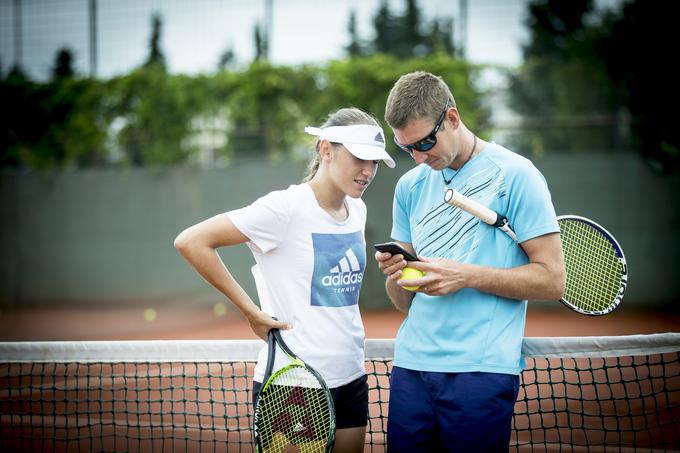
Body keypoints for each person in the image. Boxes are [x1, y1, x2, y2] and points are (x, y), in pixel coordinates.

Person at [174, 107, 395, 453]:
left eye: (376, 163)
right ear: (326, 149)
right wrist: (250, 311)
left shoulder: (358, 209)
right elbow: (191, 241)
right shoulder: (284, 208)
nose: (368, 171)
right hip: (294, 382)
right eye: (359, 159)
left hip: (351, 375)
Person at [375, 71, 566, 452]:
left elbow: (552, 280)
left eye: (426, 142)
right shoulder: (409, 186)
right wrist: (397, 276)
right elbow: (403, 302)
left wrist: (465, 276)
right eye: (405, 147)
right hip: (411, 367)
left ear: (452, 118)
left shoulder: (517, 175)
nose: (418, 156)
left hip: (480, 371)